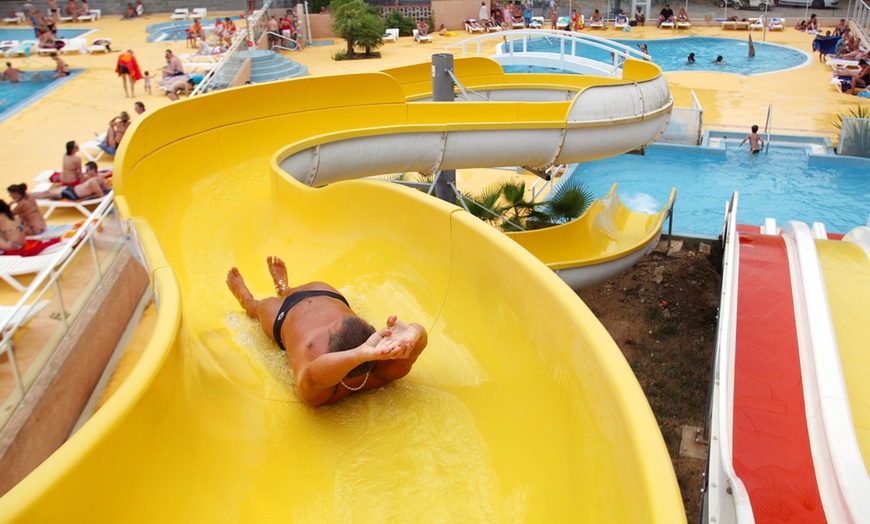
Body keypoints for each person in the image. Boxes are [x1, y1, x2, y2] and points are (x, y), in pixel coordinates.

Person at [226, 256, 428, 407]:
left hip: (284, 316)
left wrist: (360, 354)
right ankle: (285, 289)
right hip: (324, 294)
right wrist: (413, 333)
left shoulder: (320, 391)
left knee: (259, 308)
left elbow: (315, 373)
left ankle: (246, 298)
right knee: (295, 290)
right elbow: (418, 342)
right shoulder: (386, 368)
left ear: (330, 350)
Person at [29, 161, 108, 201]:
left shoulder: (92, 182)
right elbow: (104, 188)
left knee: (47, 193)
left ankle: (27, 195)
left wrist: (87, 197)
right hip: (72, 189)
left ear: (93, 170)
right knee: (48, 192)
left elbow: (100, 194)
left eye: (87, 170)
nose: (86, 172)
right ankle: (29, 194)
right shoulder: (100, 177)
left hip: (72, 193)